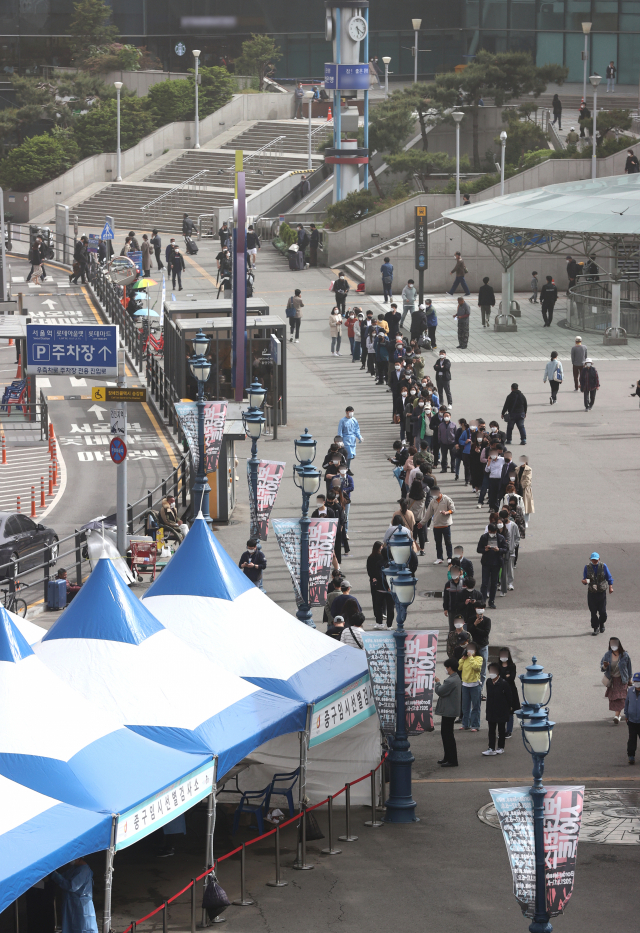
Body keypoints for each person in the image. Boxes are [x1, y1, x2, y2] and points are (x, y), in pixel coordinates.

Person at [51, 859, 99, 933]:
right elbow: (64, 877)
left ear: (79, 858)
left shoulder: (84, 871)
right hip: (72, 903)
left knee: (83, 928)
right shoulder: (75, 868)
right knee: (71, 927)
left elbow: (71, 886)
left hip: (81, 905)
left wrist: (55, 875)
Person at [434, 659, 462, 766]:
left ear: (450, 668)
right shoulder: (455, 678)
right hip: (450, 710)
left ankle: (452, 760)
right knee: (446, 734)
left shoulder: (451, 681)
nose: (446, 669)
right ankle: (447, 757)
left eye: (446, 667)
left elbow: (440, 691)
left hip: (449, 711)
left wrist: (437, 683)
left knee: (447, 735)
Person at [482, 663, 512, 755]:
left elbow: (509, 697)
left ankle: (500, 747)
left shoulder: (503, 683)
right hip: (491, 709)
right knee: (491, 730)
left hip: (501, 710)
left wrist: (508, 709)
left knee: (501, 730)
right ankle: (491, 748)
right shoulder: (488, 682)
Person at [601, 637, 632, 724]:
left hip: (622, 680)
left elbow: (629, 668)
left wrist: (630, 679)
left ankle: (616, 715)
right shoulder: (607, 655)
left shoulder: (625, 655)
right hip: (612, 680)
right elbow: (602, 668)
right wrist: (605, 666)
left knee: (621, 697)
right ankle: (618, 715)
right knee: (614, 699)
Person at [583, 551, 614, 634]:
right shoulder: (587, 567)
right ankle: (595, 628)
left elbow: (609, 577)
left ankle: (601, 623)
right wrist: (584, 581)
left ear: (599, 559)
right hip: (592, 593)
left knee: (602, 611)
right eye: (593, 560)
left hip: (601, 593)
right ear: (590, 560)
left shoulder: (603, 566)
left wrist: (610, 587)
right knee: (593, 611)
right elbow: (585, 579)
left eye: (596, 560)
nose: (594, 561)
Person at [477, 523, 507, 609]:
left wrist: (499, 550)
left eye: (494, 531)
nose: (492, 533)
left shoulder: (501, 538)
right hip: (486, 563)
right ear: (488, 531)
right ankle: (482, 601)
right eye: (491, 531)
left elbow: (505, 549)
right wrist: (485, 549)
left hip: (496, 563)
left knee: (494, 583)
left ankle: (491, 601)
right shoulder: (484, 537)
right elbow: (478, 549)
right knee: (484, 583)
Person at [424, 486, 455, 565]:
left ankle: (449, 558)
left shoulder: (446, 499)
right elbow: (428, 514)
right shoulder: (432, 501)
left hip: (445, 525)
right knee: (438, 543)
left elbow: (453, 509)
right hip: (436, 525)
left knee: (448, 542)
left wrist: (447, 512)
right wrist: (422, 522)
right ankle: (439, 558)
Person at [458, 642, 482, 731]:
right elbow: (459, 667)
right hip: (465, 685)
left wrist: (471, 657)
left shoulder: (479, 658)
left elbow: (477, 667)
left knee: (475, 706)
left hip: (475, 685)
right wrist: (462, 659)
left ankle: (475, 725)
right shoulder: (465, 659)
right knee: (465, 706)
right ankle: (465, 724)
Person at [498, 647, 520, 737]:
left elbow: (511, 678)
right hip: (500, 691)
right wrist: (505, 676)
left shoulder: (512, 666)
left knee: (510, 711)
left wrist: (505, 677)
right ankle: (501, 730)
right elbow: (498, 678)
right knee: (501, 711)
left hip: (510, 691)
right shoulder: (498, 666)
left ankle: (509, 731)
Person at [467, 603, 491, 687]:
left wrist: (475, 629)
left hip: (483, 646)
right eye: (478, 608)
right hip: (473, 647)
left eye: (482, 608)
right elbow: (469, 632)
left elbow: (485, 633)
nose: (480, 609)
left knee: (482, 671)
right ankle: (472, 686)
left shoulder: (487, 620)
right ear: (475, 609)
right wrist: (475, 624)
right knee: (472, 667)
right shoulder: (471, 619)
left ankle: (479, 690)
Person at [498, 509, 520, 595]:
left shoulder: (513, 525)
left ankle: (510, 583)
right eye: (501, 518)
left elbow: (517, 537)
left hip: (510, 551)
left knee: (510, 568)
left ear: (508, 516)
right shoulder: (499, 526)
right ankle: (501, 583)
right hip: (500, 551)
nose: (503, 519)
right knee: (501, 569)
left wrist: (513, 546)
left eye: (504, 517)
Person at [625, 673, 640, 764]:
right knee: (632, 740)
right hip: (632, 721)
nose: (636, 683)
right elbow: (627, 703)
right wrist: (626, 714)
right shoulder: (630, 691)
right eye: (635, 681)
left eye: (638, 681)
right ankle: (631, 756)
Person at [437, 409, 456, 474]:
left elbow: (455, 433)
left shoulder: (453, 424)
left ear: (450, 417)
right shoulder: (441, 425)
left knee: (453, 456)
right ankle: (444, 469)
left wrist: (455, 442)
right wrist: (440, 441)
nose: (446, 417)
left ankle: (453, 468)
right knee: (444, 457)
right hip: (443, 443)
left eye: (447, 416)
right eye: (445, 416)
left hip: (452, 443)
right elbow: (439, 434)